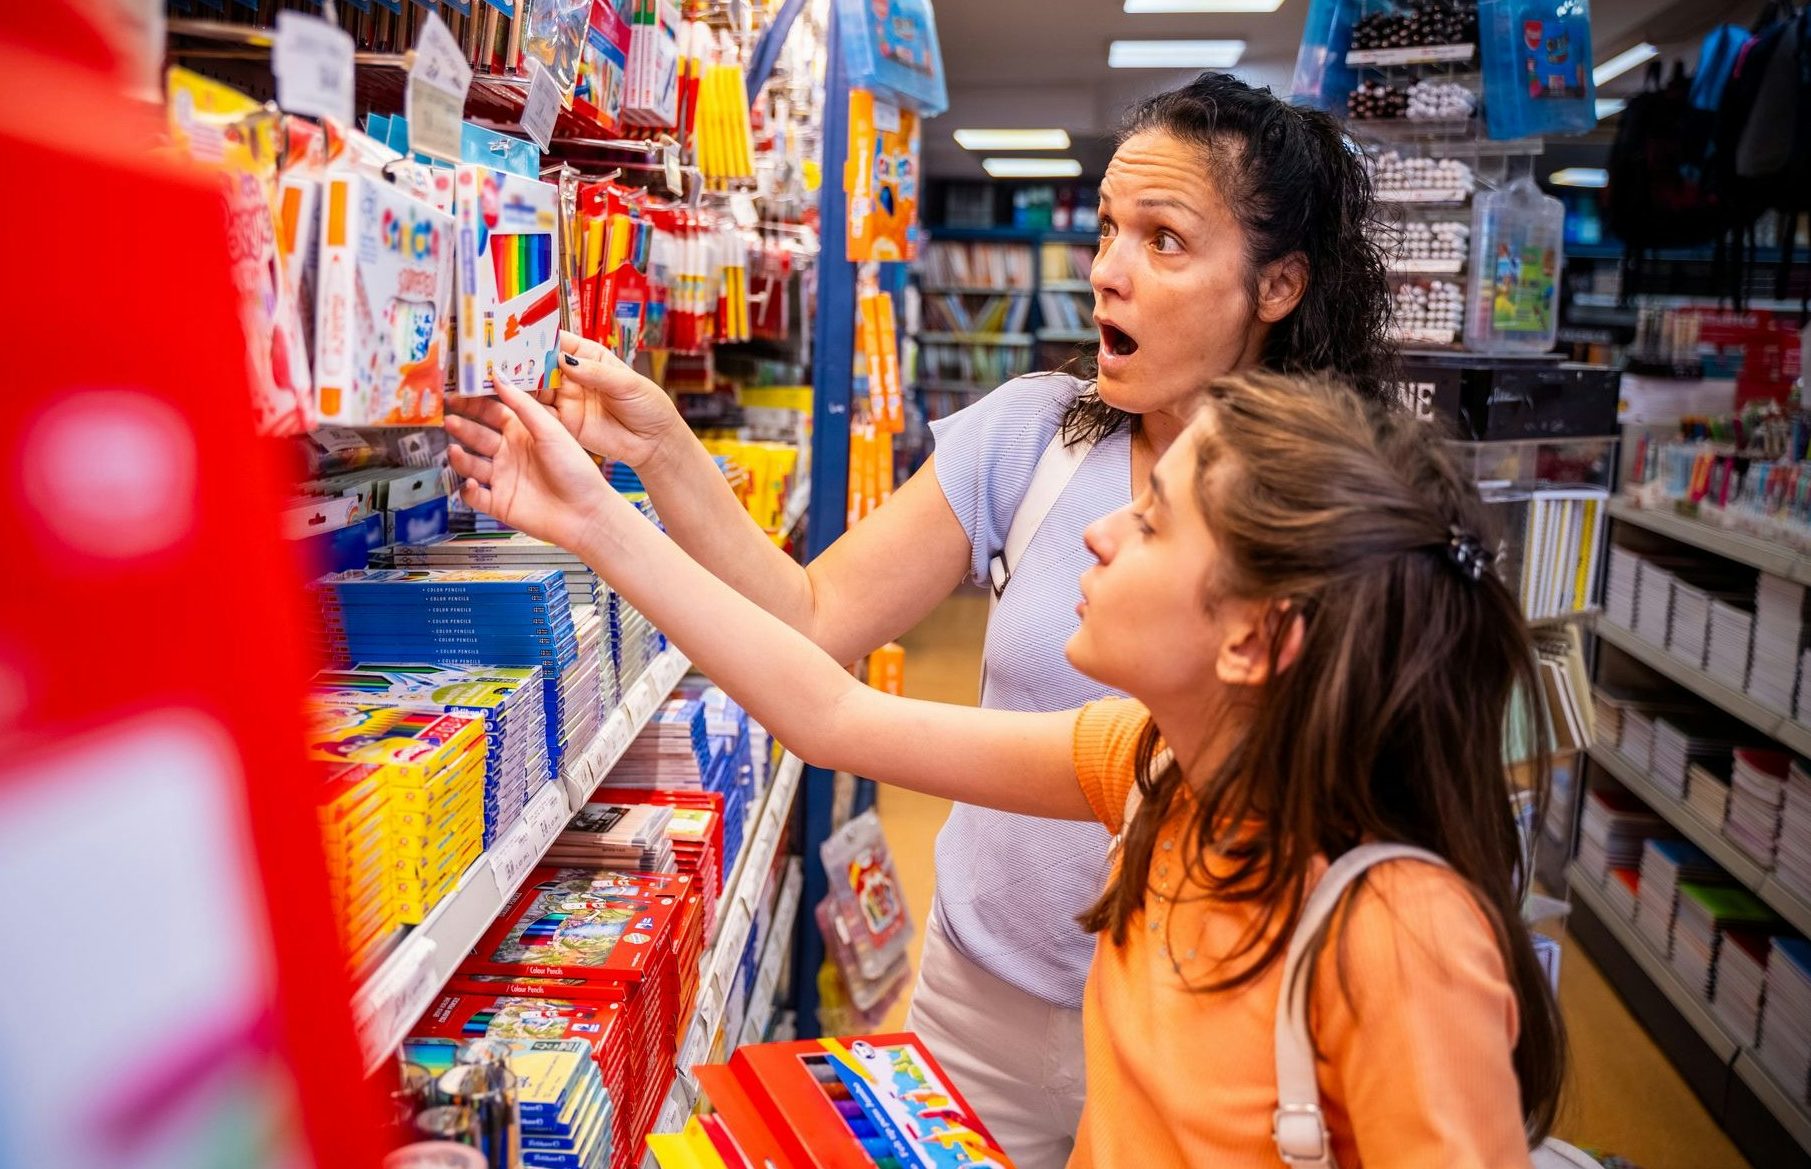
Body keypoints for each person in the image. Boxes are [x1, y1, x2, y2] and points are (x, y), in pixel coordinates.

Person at [450, 73, 1392, 1163]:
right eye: (1107, 233)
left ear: (1278, 285)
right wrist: (659, 452)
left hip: (1203, 1032)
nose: (1107, 275)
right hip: (978, 998)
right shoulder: (1039, 442)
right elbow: (817, 637)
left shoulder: (1330, 532)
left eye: (1166, 242)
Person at [444, 368, 1566, 1168]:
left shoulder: (1399, 933)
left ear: (1252, 639)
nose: (1098, 535)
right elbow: (833, 711)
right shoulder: (1158, 771)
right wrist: (594, 516)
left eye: (1154, 524)